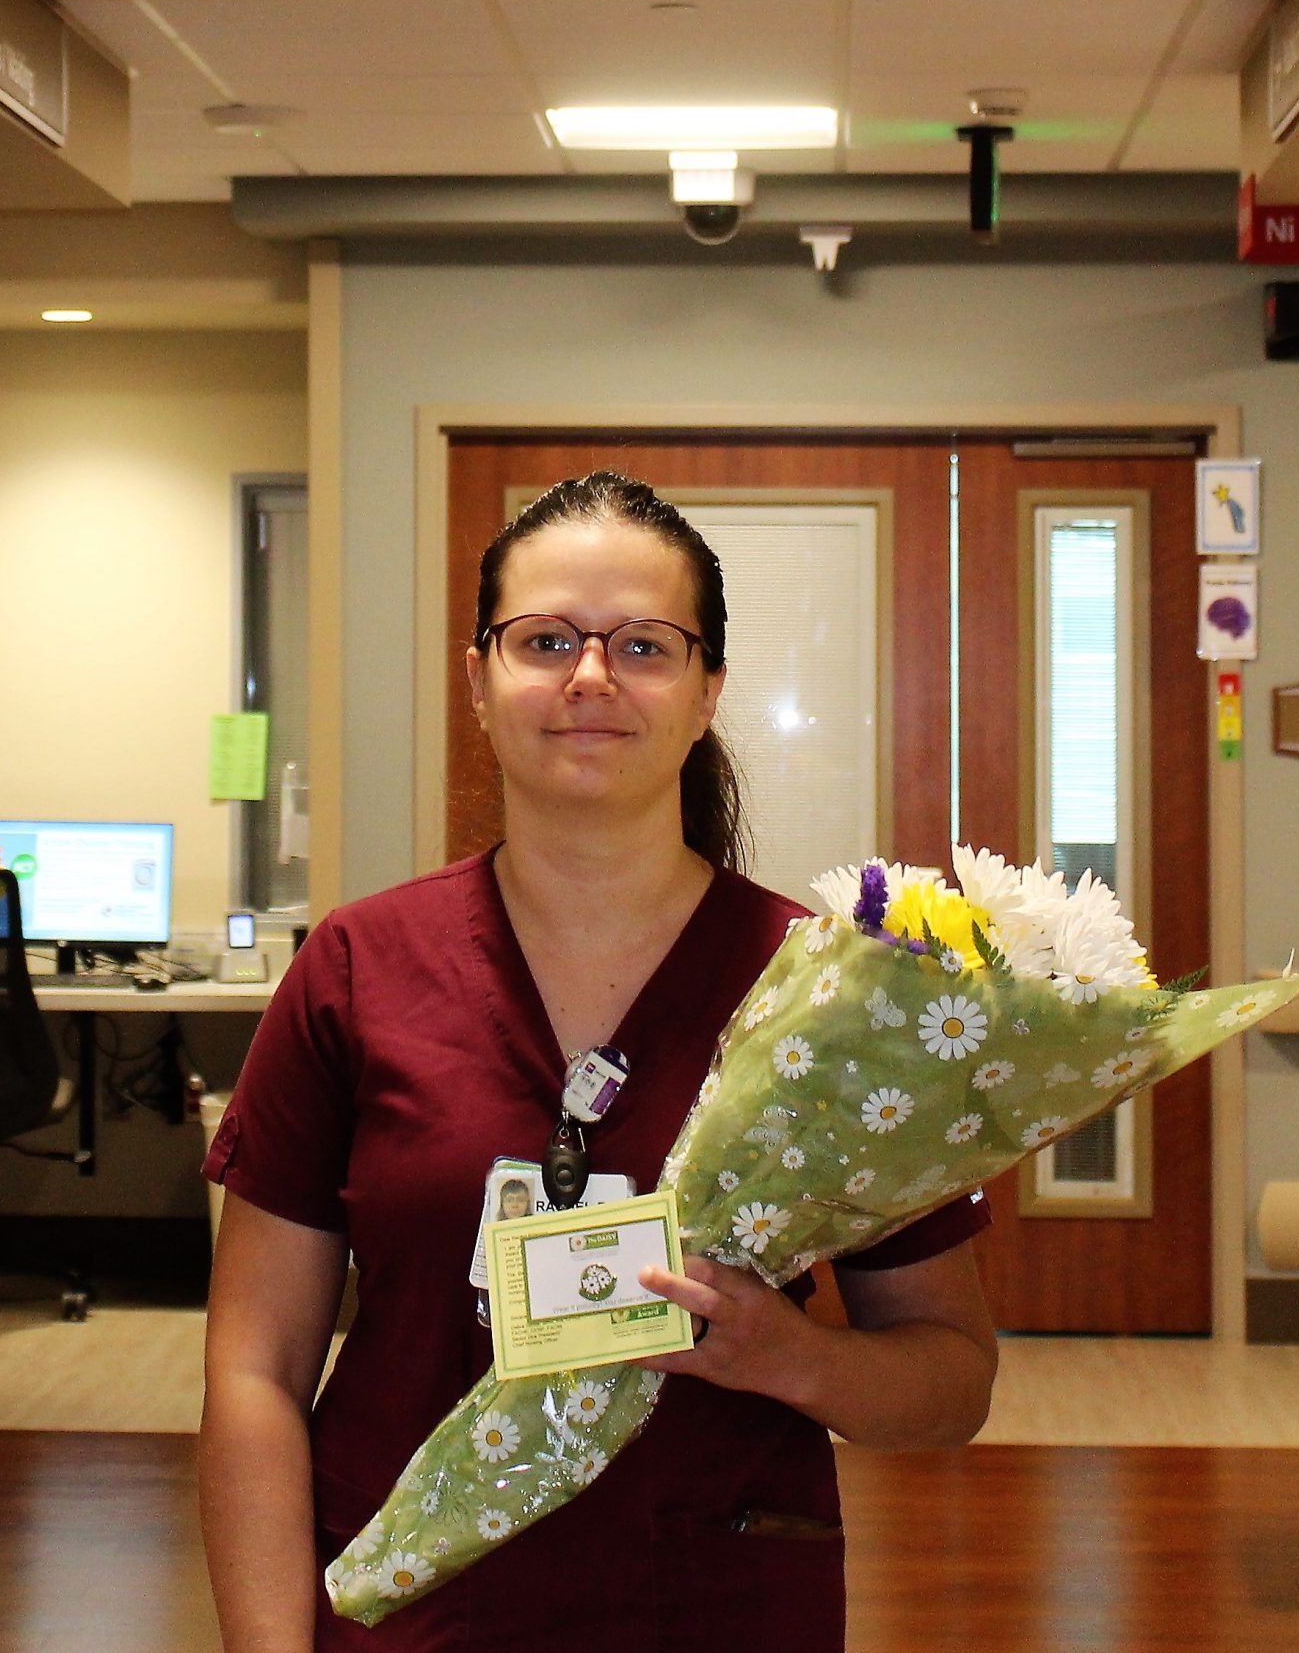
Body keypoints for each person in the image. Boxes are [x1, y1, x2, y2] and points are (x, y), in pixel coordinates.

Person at [200, 471, 998, 1652]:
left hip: (716, 1603)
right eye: (545, 640)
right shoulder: (357, 969)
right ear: (478, 682)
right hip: (412, 1604)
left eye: (642, 645)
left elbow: (951, 1380)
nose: (589, 675)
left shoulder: (832, 998)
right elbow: (253, 1372)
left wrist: (796, 1361)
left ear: (706, 690)